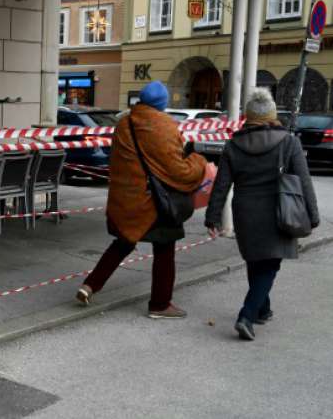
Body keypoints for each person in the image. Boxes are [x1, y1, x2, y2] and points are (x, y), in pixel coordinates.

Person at [76, 81, 207, 318]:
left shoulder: (124, 122)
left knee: (123, 243)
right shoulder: (164, 125)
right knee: (165, 249)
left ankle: (90, 285)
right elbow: (178, 171)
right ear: (162, 103)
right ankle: (160, 304)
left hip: (126, 199)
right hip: (153, 202)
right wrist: (197, 160)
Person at [205, 88, 319, 341]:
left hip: (245, 212)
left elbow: (222, 184)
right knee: (269, 264)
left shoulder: (233, 144)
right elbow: (304, 180)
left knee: (256, 260)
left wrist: (212, 216)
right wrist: (312, 214)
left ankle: (261, 309)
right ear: (271, 116)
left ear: (247, 117)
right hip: (279, 211)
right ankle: (246, 315)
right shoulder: (289, 142)